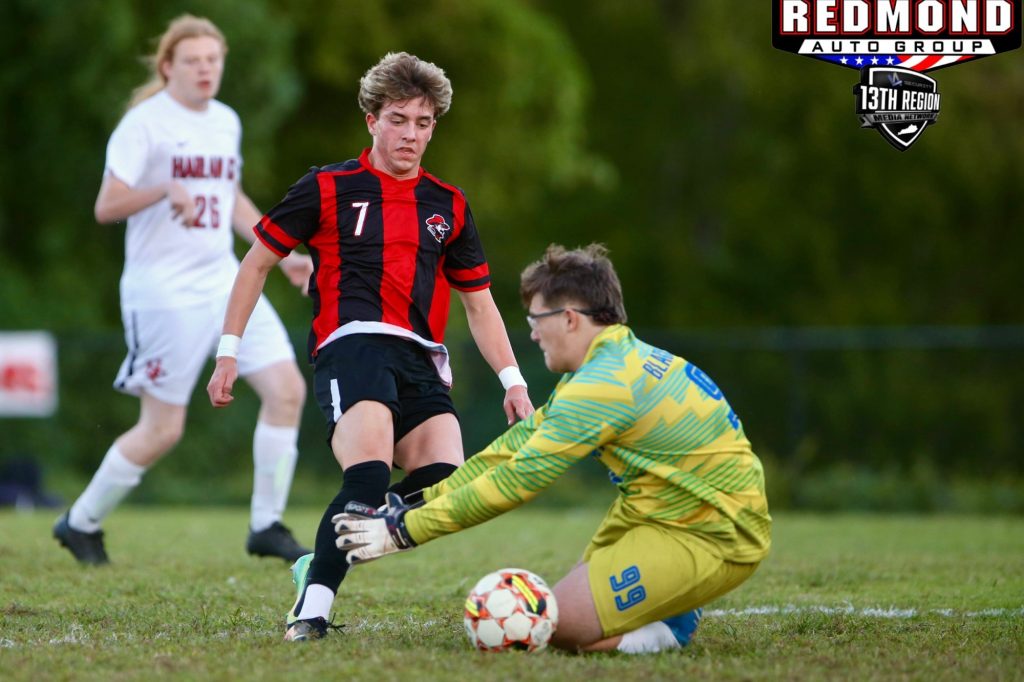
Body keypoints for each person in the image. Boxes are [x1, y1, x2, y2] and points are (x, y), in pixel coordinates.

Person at [206, 52, 534, 642]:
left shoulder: (449, 205)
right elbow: (255, 265)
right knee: (367, 478)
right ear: (372, 120)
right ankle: (311, 612)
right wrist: (229, 350)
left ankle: (320, 559)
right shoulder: (327, 186)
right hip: (352, 346)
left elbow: (480, 304)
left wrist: (514, 382)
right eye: (399, 120)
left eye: (423, 123)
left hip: (421, 356)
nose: (411, 134)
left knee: (444, 483)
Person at [334, 244, 772, 654]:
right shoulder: (605, 367)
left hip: (714, 532)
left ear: (570, 319)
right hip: (656, 514)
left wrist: (406, 530)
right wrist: (419, 500)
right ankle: (669, 600)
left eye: (535, 320)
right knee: (565, 609)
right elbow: (508, 451)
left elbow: (514, 481)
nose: (533, 335)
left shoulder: (603, 385)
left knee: (557, 625)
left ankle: (670, 628)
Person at [53, 15, 313, 566]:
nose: (205, 69)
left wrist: (281, 252)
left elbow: (230, 197)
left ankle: (266, 525)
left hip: (223, 280)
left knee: (287, 390)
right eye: (193, 60)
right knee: (163, 430)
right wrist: (162, 189)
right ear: (168, 66)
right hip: (163, 292)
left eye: (213, 60)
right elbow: (106, 206)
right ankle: (80, 521)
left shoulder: (225, 121)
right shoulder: (143, 124)